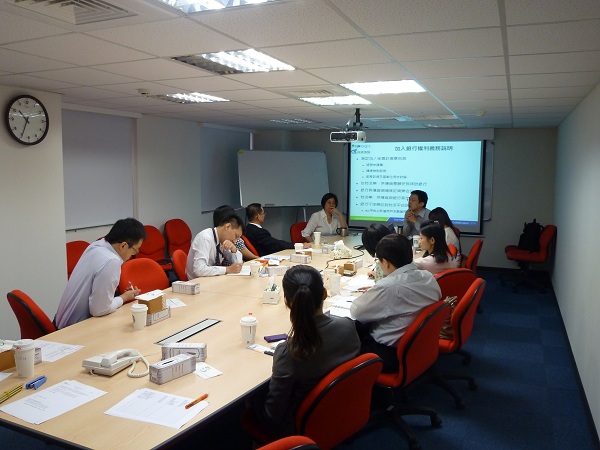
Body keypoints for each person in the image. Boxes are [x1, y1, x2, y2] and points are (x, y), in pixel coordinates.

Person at [254, 265, 360, 437]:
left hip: (300, 428)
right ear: (324, 294)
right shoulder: (347, 326)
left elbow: (272, 416)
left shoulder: (289, 352)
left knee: (250, 398)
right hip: (339, 412)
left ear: (287, 302)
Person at [350, 234, 441, 373]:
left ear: (386, 263)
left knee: (348, 328)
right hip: (420, 345)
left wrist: (376, 293)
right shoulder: (428, 277)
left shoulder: (389, 287)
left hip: (389, 355)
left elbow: (356, 312)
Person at [54, 218, 146, 329]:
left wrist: (116, 297)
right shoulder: (111, 261)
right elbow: (100, 310)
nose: (133, 254)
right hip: (73, 329)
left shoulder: (96, 246)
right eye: (135, 250)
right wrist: (123, 298)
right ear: (123, 246)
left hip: (60, 320)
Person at [186, 213, 244, 278]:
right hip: (198, 281)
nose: (234, 241)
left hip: (211, 278)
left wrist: (234, 249)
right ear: (227, 226)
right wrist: (228, 269)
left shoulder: (222, 241)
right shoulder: (205, 238)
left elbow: (238, 266)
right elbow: (199, 270)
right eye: (236, 236)